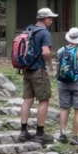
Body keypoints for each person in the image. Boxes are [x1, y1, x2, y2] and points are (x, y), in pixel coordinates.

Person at [18, 8, 56, 146]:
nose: (51, 20)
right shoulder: (45, 32)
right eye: (50, 18)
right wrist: (50, 63)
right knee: (44, 100)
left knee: (27, 100)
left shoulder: (28, 30)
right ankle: (40, 133)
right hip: (38, 70)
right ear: (45, 18)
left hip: (26, 69)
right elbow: (45, 52)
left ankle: (23, 131)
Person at [55, 27, 78, 146]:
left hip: (63, 82)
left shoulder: (60, 51)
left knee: (64, 108)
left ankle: (62, 133)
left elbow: (58, 68)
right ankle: (75, 137)